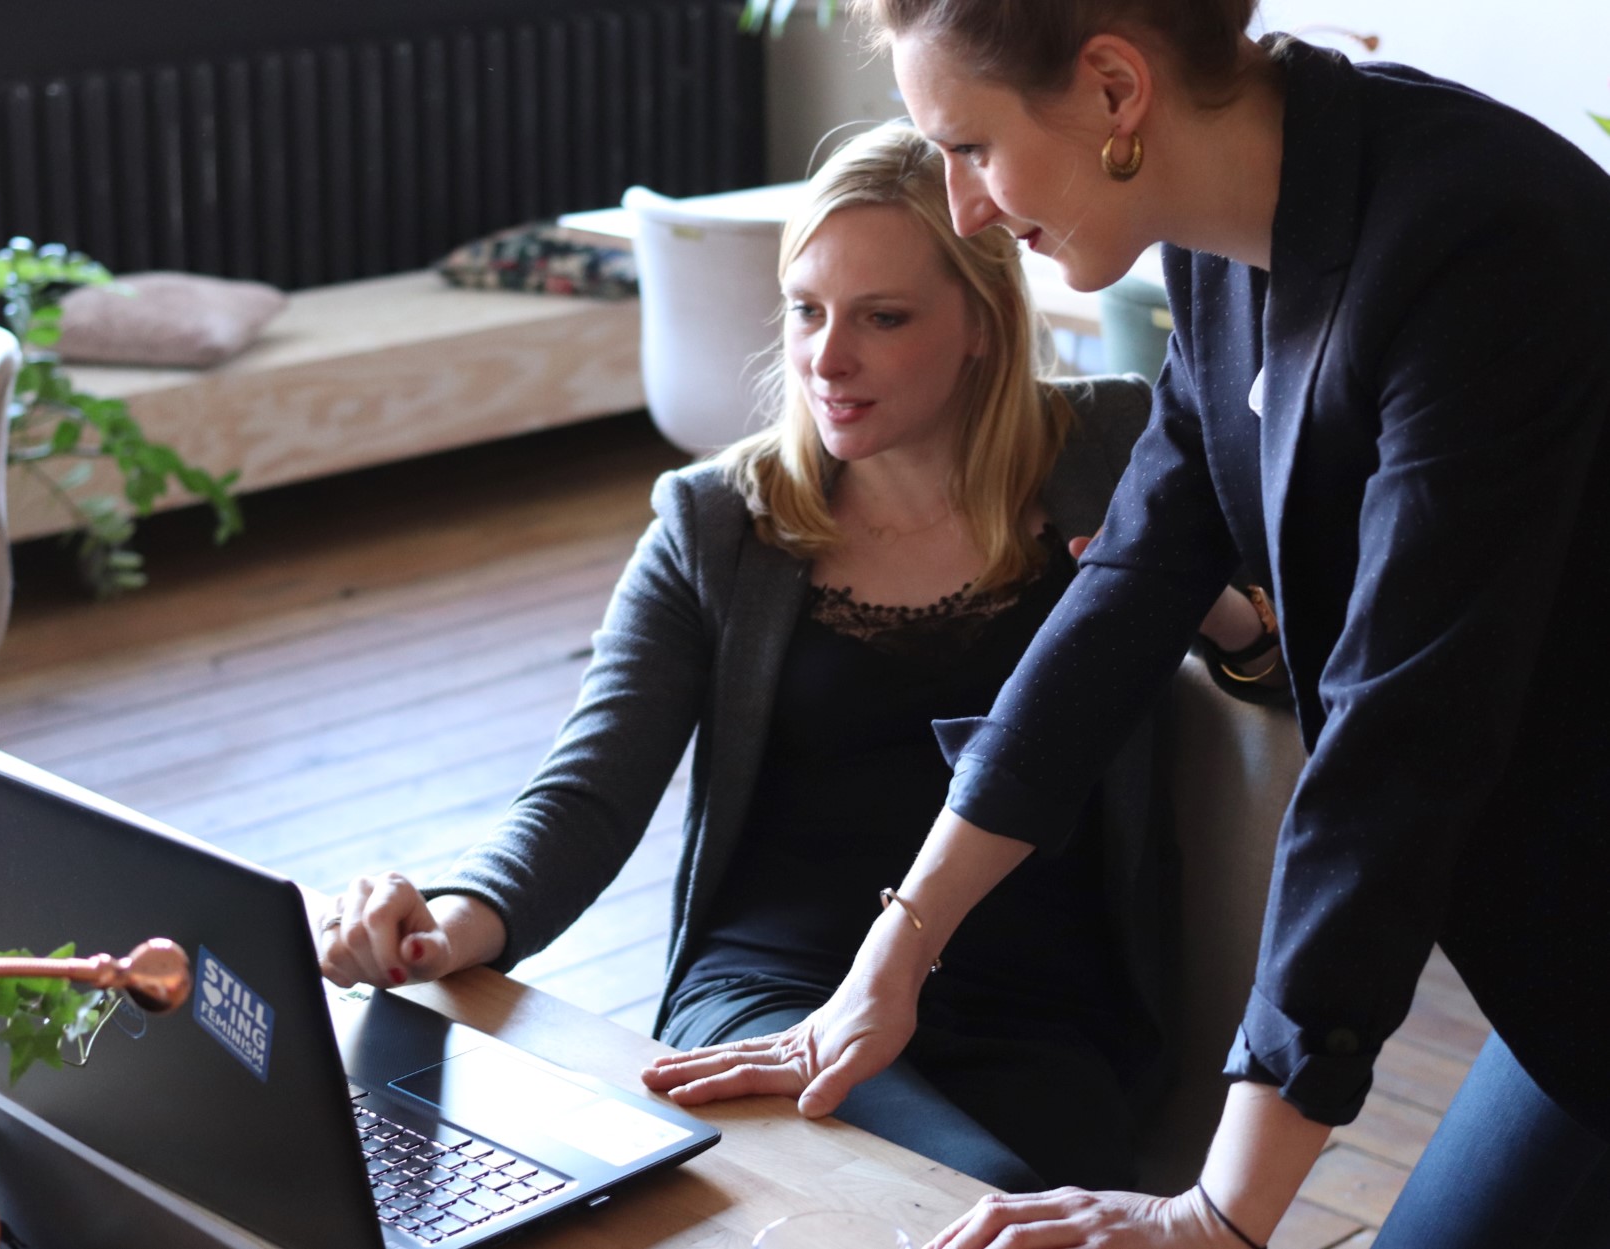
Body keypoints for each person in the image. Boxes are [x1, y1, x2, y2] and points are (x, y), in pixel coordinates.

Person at [636, 4, 1610, 1247]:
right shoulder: (1225, 243)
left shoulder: (1476, 239)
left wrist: (1220, 1214)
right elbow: (1132, 582)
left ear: (1113, 90)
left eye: (972, 146)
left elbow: (1398, 744)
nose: (965, 206)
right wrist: (892, 959)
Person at [320, 122, 1270, 1193]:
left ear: (982, 325)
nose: (827, 358)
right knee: (950, 1195)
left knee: (991, 1194)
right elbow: (588, 789)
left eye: (883, 317)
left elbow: (1291, 676)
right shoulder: (719, 521)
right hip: (774, 992)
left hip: (1042, 1010)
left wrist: (1219, 616)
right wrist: (450, 923)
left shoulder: (1114, 451)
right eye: (807, 310)